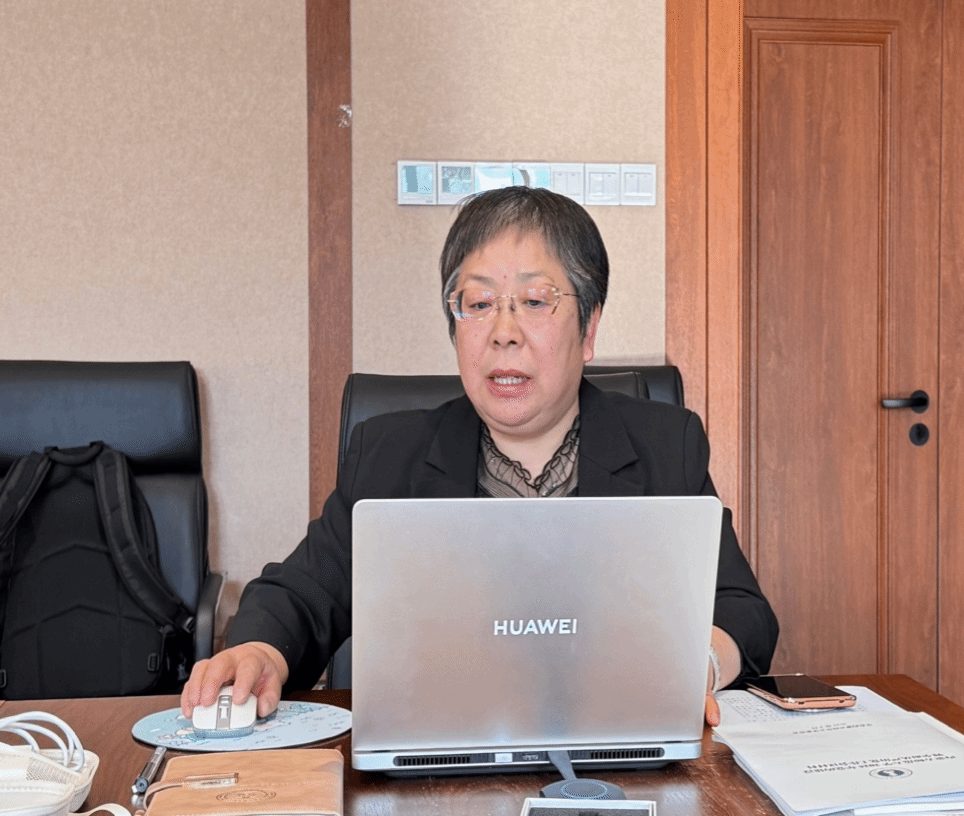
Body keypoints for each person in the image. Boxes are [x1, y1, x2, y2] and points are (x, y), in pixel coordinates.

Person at [181, 186, 778, 726]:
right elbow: (301, 594)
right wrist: (259, 651)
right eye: (479, 302)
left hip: (618, 750)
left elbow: (743, 612)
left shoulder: (664, 445)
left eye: (536, 301)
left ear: (589, 328)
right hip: (439, 755)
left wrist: (695, 667)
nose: (504, 331)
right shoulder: (391, 456)